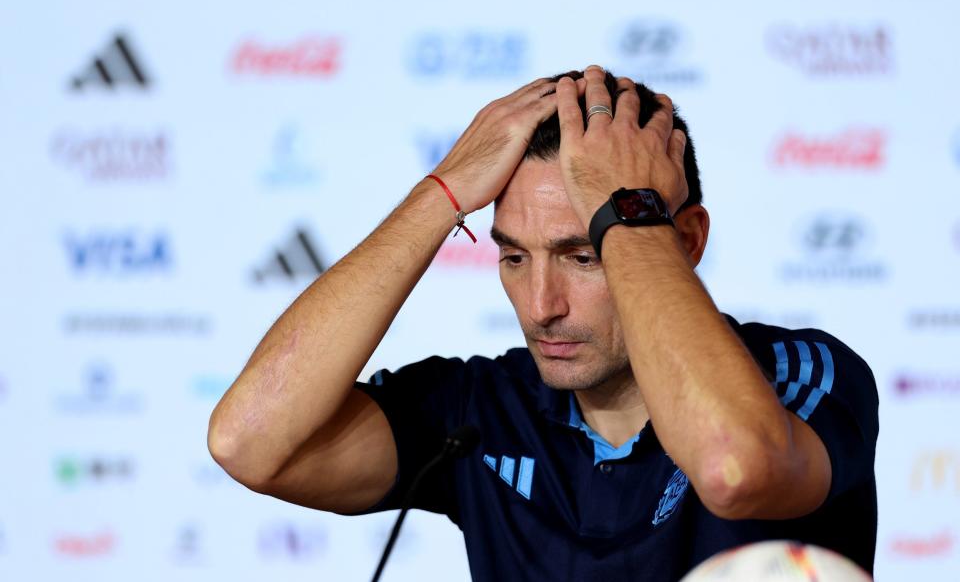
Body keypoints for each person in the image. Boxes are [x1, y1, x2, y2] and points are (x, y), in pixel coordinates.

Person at [207, 66, 879, 581]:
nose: (540, 306)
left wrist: (630, 215)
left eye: (582, 254)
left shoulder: (797, 375)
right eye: (513, 256)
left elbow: (733, 467)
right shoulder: (480, 412)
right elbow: (249, 441)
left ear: (688, 239)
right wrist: (440, 194)